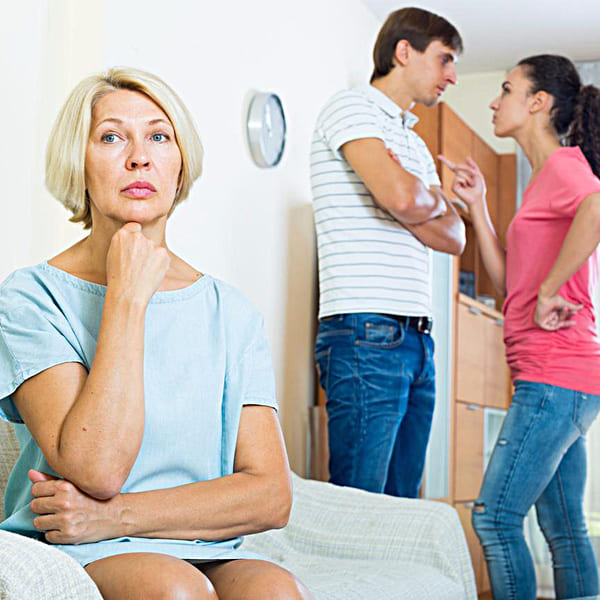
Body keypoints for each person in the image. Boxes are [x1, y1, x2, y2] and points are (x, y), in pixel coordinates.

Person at [0, 67, 312, 600]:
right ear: (78, 162)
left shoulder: (232, 313)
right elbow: (96, 469)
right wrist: (127, 297)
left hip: (192, 540)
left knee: (278, 591)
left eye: (159, 137)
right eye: (111, 137)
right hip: (78, 545)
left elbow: (270, 496)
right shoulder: (30, 297)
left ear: (180, 164)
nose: (139, 157)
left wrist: (117, 514)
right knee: (175, 589)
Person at [440, 55, 600, 599]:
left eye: (506, 89)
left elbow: (597, 208)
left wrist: (553, 288)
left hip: (556, 375)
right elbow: (512, 284)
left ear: (538, 102)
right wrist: (478, 206)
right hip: (563, 379)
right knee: (564, 529)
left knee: (495, 517)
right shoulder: (542, 181)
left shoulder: (563, 166)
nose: (494, 100)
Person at [311, 7, 466, 498]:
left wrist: (417, 194)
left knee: (401, 511)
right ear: (404, 51)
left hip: (418, 340)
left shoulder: (413, 144)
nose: (452, 76)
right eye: (444, 59)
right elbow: (402, 198)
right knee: (360, 507)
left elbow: (454, 237)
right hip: (365, 332)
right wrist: (423, 197)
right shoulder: (350, 108)